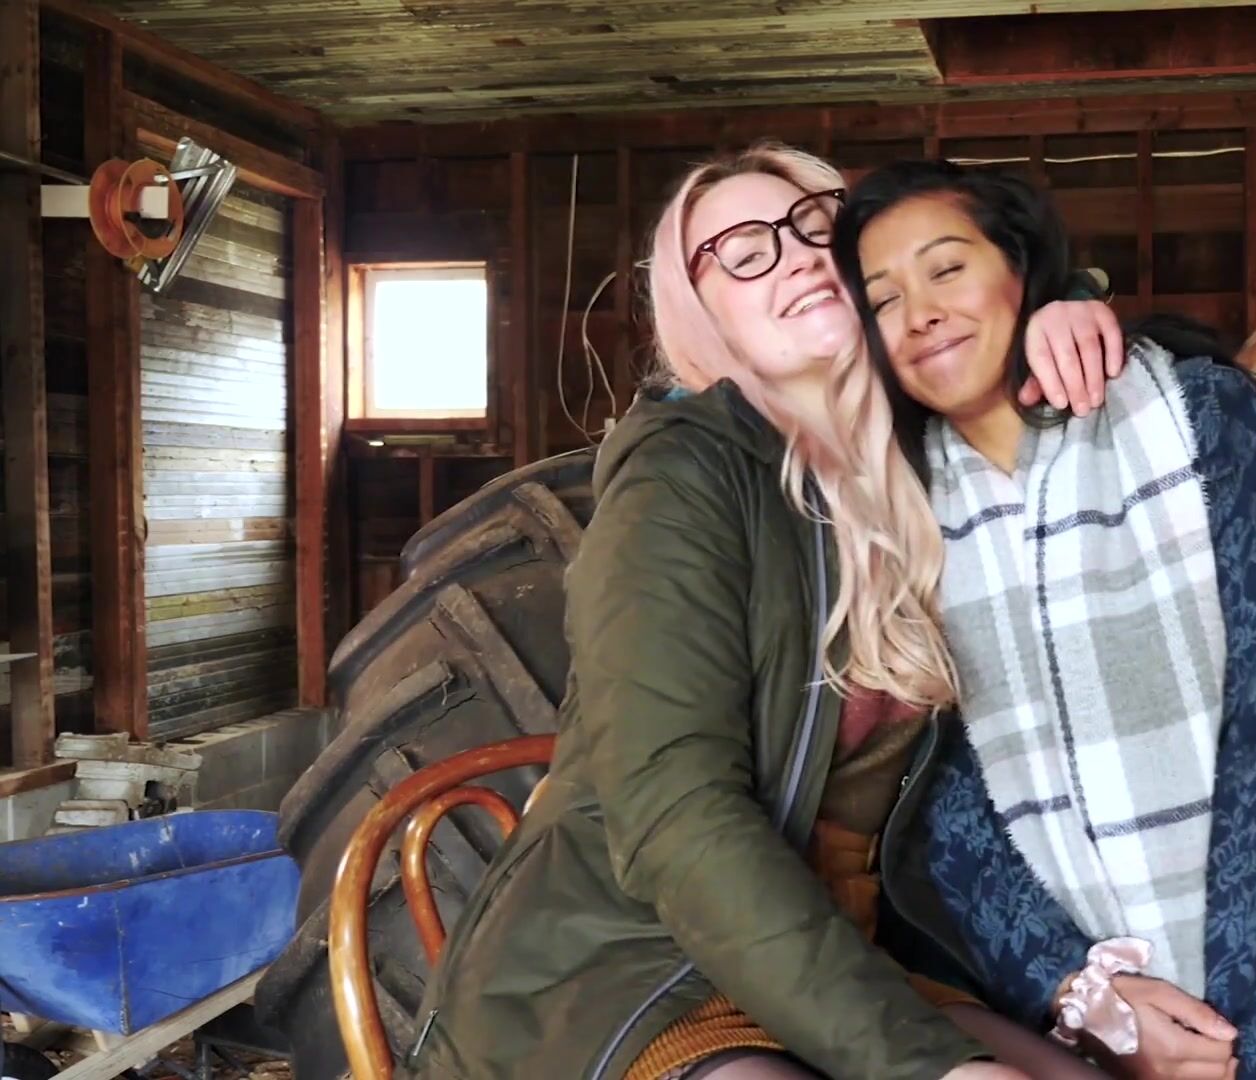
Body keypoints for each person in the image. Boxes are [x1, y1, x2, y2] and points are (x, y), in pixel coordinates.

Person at [404, 143, 1123, 1080]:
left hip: (832, 945)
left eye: (816, 227)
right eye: (744, 253)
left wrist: (1061, 307)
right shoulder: (679, 475)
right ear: (704, 317)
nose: (794, 257)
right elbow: (676, 814)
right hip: (632, 959)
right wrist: (932, 1066)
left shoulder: (917, 460)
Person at [829, 160, 1256, 1080]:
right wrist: (1089, 996)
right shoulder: (898, 518)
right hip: (1081, 1013)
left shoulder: (1196, 415)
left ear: (1022, 269)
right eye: (883, 300)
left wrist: (1204, 995)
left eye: (947, 269)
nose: (920, 313)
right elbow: (944, 800)